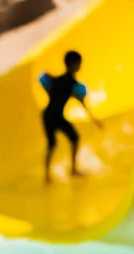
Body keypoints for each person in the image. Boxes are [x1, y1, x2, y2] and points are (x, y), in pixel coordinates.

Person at [39, 50, 102, 184]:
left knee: (68, 140)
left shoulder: (59, 80)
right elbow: (82, 102)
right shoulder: (73, 84)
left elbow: (44, 80)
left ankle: (55, 173)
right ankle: (53, 174)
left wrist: (94, 119)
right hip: (52, 116)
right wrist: (94, 119)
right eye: (79, 63)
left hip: (51, 115)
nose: (80, 66)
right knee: (55, 143)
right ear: (74, 65)